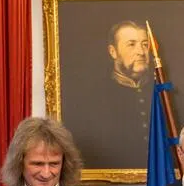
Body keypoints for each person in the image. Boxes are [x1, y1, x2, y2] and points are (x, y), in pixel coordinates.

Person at [64, 19, 153, 170]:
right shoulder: (92, 97)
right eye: (131, 44)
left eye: (145, 44)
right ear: (113, 52)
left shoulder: (161, 92)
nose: (141, 52)